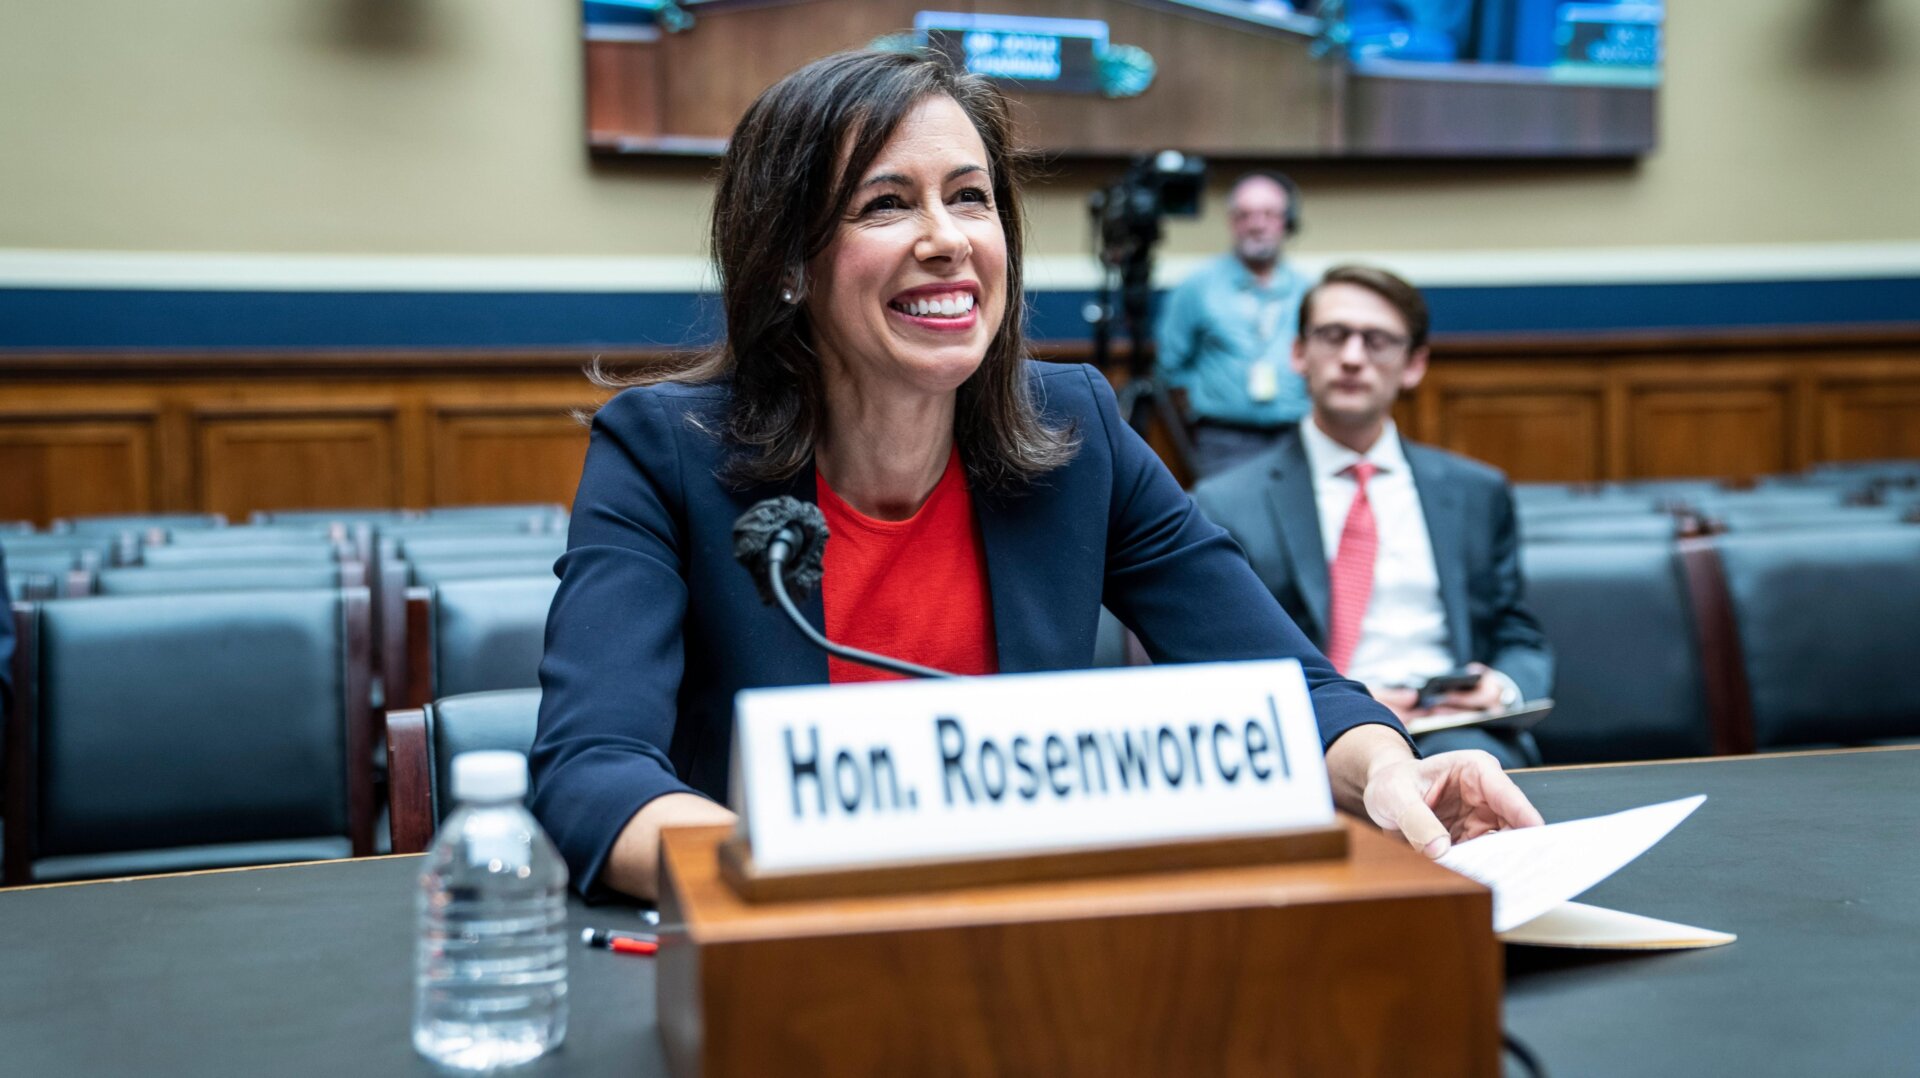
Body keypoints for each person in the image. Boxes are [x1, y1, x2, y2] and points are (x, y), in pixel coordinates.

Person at [528, 51, 1543, 902]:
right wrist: (777, 874)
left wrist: (1391, 769)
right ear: (789, 259)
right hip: (784, 962)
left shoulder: (1077, 429)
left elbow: (1289, 682)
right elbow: (595, 771)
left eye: (970, 197)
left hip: (1035, 947)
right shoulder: (664, 451)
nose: (948, 240)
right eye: (887, 203)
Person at [1194, 265, 1552, 769]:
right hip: (1316, 739)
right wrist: (1348, 705)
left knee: (1478, 770)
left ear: (1413, 365)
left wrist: (1503, 688)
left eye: (1378, 340)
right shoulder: (1226, 502)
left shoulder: (1477, 491)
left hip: (1455, 730)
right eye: (1334, 336)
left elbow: (1519, 637)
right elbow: (1221, 664)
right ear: (1299, 353)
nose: (1353, 357)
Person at [1155, 171, 1312, 480]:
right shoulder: (1197, 287)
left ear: (1286, 222)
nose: (1256, 224)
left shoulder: (1307, 290)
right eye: (1245, 215)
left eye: (1268, 214)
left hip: (1296, 436)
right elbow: (1170, 365)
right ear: (1232, 222)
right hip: (1222, 441)